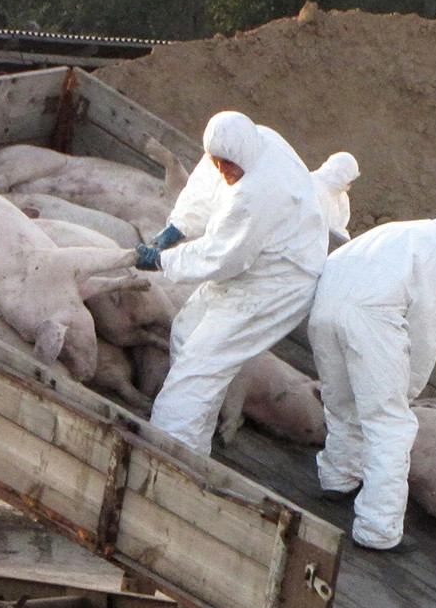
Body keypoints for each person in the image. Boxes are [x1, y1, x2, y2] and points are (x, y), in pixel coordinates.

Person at [311, 202, 436, 553]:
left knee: (343, 403)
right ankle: (378, 530)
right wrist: (408, 389)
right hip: (372, 318)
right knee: (391, 426)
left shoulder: (401, 229)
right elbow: (425, 329)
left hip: (325, 307)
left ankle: (337, 479)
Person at [134, 111, 327, 455]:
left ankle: (169, 454)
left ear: (244, 156)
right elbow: (206, 182)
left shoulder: (256, 194)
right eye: (218, 162)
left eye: (229, 165)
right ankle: (194, 441)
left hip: (278, 281)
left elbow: (221, 257)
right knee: (187, 332)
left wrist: (162, 260)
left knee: (200, 365)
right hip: (257, 261)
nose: (224, 170)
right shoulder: (244, 145)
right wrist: (178, 226)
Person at [311, 151, 360, 241]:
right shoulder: (311, 187)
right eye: (349, 178)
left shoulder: (341, 196)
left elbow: (339, 228)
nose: (349, 184)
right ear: (339, 173)